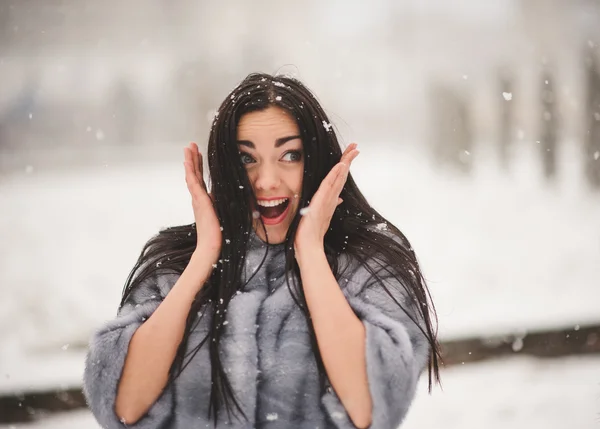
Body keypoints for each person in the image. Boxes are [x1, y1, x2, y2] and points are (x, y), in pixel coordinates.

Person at [83, 72, 442, 429]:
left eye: (290, 155)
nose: (267, 180)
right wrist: (205, 255)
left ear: (316, 159)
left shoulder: (369, 265)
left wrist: (310, 252)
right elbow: (123, 407)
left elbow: (371, 409)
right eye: (246, 159)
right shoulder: (174, 267)